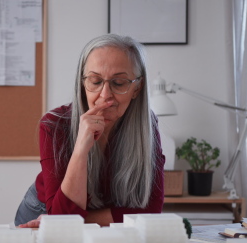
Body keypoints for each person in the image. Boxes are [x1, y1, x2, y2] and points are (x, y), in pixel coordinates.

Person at [14, 34, 165, 228]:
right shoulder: (54, 125)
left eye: (119, 83)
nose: (105, 95)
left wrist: (74, 221)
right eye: (95, 81)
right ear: (82, 83)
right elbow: (61, 214)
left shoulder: (147, 124)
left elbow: (150, 210)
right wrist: (80, 149)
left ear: (137, 88)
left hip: (83, 219)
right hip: (41, 213)